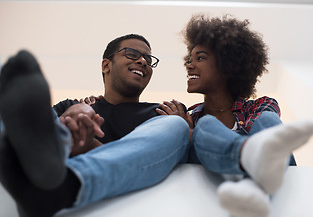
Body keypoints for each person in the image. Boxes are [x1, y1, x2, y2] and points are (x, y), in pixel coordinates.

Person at [0, 34, 190, 216]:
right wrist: (70, 117)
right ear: (106, 65)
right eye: (132, 54)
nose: (142, 61)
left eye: (148, 59)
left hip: (67, 186)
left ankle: (64, 181)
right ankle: (34, 149)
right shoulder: (71, 105)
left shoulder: (162, 112)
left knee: (176, 126)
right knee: (30, 112)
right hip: (46, 173)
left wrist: (88, 144)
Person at [156, 14, 313, 217]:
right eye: (189, 60)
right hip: (213, 201)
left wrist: (192, 134)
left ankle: (253, 189)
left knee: (267, 121)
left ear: (227, 66)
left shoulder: (261, 105)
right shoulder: (191, 118)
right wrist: (183, 131)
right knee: (206, 124)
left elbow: (262, 134)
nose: (189, 65)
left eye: (200, 58)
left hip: (275, 203)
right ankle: (253, 182)